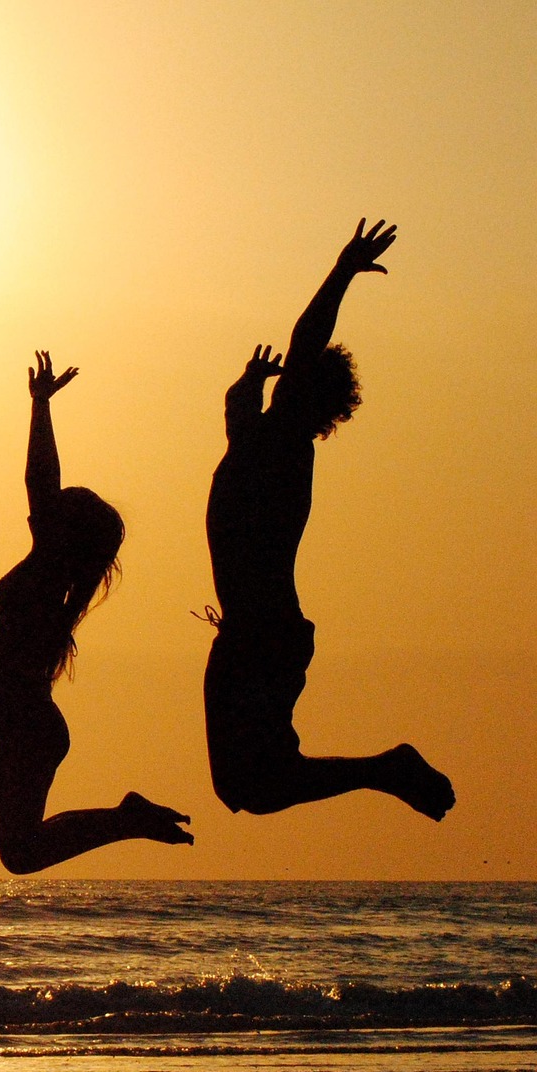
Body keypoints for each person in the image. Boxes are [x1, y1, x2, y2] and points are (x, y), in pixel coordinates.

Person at [203, 219, 454, 819]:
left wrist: (342, 271)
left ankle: (386, 769)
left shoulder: (284, 444)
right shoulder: (254, 441)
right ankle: (383, 770)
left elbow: (306, 337)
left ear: (302, 393)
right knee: (245, 788)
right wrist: (247, 381)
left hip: (264, 633)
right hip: (253, 632)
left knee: (253, 787)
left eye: (291, 376)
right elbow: (238, 406)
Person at [0, 351, 193, 874]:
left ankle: (127, 819)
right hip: (27, 726)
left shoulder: (48, 570)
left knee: (21, 852)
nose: (45, 509)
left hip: (27, 727)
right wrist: (40, 406)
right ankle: (127, 819)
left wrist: (40, 408)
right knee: (22, 850)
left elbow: (40, 480)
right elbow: (43, 487)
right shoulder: (50, 576)